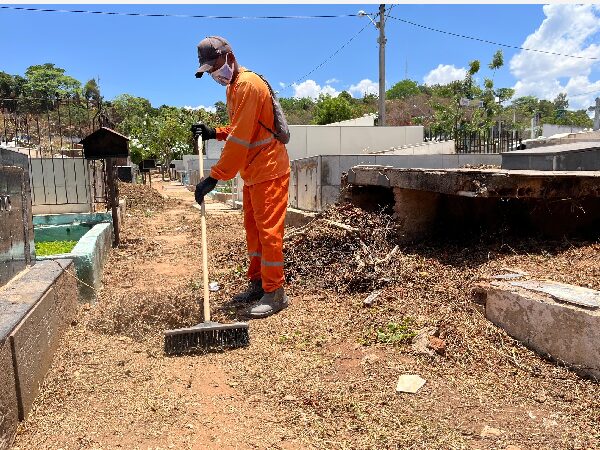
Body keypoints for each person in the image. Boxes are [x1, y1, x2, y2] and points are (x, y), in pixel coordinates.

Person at [192, 36, 290, 319]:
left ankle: (275, 293)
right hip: (254, 173)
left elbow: (240, 139)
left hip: (270, 169)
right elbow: (240, 127)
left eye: (214, 67)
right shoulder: (233, 87)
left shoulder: (247, 84)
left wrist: (214, 177)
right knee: (255, 233)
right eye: (209, 71)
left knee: (269, 234)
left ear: (229, 57)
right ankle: (258, 283)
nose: (213, 74)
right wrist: (214, 132)